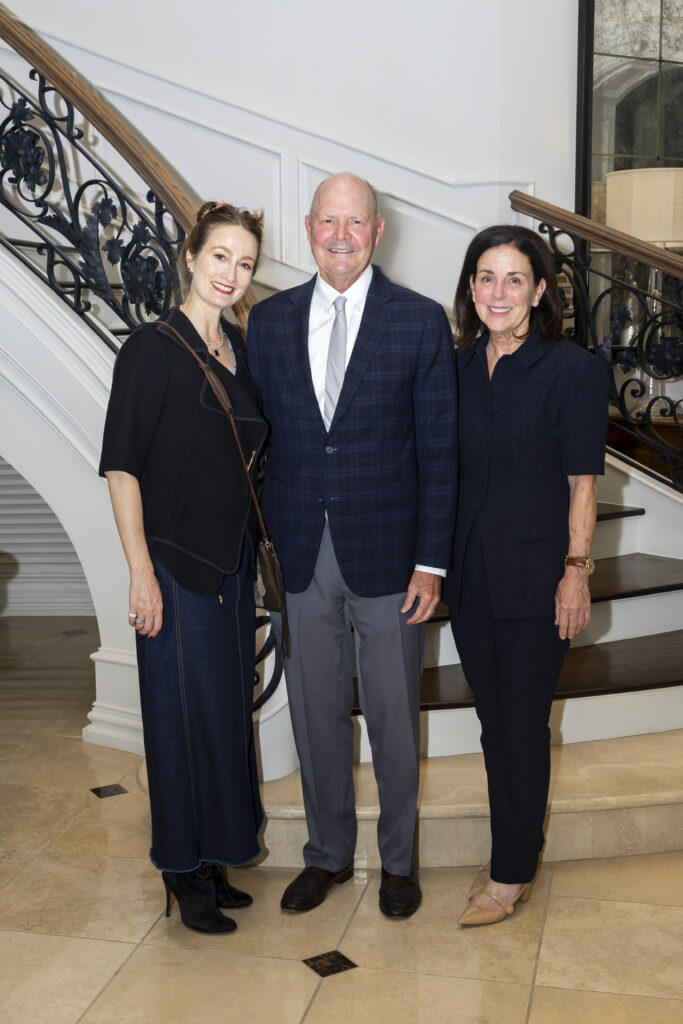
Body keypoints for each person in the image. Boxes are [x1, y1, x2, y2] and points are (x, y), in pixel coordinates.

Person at [248, 172, 457, 918]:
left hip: (393, 560)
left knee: (395, 718)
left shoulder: (419, 320)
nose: (341, 236)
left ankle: (397, 863)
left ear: (377, 233)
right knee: (314, 714)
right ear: (309, 230)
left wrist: (432, 560)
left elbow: (440, 450)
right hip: (301, 553)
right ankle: (327, 855)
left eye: (355, 223)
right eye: (327, 222)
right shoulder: (267, 322)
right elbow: (257, 443)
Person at [99, 202, 268, 934]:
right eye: (221, 256)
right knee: (178, 722)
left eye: (246, 263)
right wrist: (139, 571)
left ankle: (216, 856)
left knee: (224, 716)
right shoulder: (151, 348)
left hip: (229, 567)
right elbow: (122, 469)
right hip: (171, 564)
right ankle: (181, 870)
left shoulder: (236, 348)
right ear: (190, 257)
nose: (232, 273)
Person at [445, 225, 608, 927]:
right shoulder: (454, 366)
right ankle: (514, 844)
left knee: (521, 725)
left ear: (540, 290)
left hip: (538, 574)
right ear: (470, 288)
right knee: (491, 723)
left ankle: (511, 872)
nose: (498, 292)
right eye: (486, 277)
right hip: (468, 575)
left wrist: (575, 570)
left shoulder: (571, 370)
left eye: (514, 279)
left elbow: (581, 484)